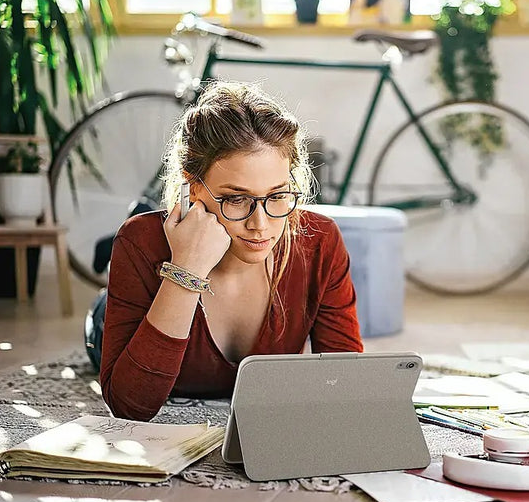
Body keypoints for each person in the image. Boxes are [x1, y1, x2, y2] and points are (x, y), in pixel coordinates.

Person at [100, 81, 363, 422]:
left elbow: (351, 390)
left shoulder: (319, 241)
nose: (261, 223)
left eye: (278, 194)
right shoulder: (139, 242)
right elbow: (130, 407)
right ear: (192, 188)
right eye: (236, 199)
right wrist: (186, 271)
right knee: (101, 319)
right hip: (134, 305)